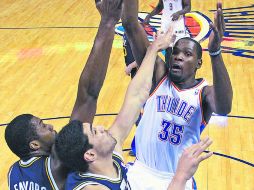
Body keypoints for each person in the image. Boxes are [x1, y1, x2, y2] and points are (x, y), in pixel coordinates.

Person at [55, 26, 213, 190]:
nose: (102, 127)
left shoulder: (110, 160)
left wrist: (154, 48)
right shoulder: (92, 188)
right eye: (95, 132)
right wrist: (180, 176)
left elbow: (135, 98)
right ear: (90, 154)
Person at [5, 0, 123, 189]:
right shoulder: (54, 165)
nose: (51, 126)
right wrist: (108, 22)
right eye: (42, 126)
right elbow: (88, 95)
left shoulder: (13, 173)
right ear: (35, 145)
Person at [122, 0, 233, 189]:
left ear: (198, 63)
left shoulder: (203, 93)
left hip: (175, 179)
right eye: (176, 52)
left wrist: (215, 52)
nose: (179, 56)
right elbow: (131, 25)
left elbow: (224, 107)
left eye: (187, 54)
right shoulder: (158, 76)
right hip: (140, 173)